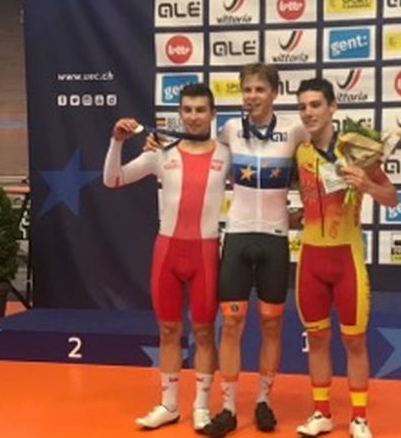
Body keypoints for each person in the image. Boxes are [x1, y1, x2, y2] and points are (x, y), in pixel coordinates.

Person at [103, 83, 230, 433]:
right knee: (169, 329)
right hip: (168, 252)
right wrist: (116, 141)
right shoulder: (161, 153)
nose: (193, 116)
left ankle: (201, 407)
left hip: (205, 252)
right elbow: (112, 179)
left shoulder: (228, 154)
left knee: (203, 331)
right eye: (187, 109)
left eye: (200, 110)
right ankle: (169, 405)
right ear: (179, 113)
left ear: (213, 114)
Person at [204, 63, 309, 438]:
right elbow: (200, 157)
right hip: (237, 235)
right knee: (231, 324)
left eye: (260, 89)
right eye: (247, 89)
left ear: (274, 93)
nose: (252, 96)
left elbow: (320, 160)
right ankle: (229, 407)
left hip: (275, 237)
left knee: (271, 323)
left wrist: (308, 208)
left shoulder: (295, 130)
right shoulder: (230, 130)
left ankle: (264, 401)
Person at [293, 78, 398, 438]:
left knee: (354, 341)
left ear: (332, 107)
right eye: (303, 107)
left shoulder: (356, 149)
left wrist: (366, 185)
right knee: (317, 339)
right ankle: (321, 413)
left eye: (316, 105)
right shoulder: (299, 152)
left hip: (346, 259)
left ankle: (359, 418)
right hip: (310, 259)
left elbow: (392, 197)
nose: (309, 112)